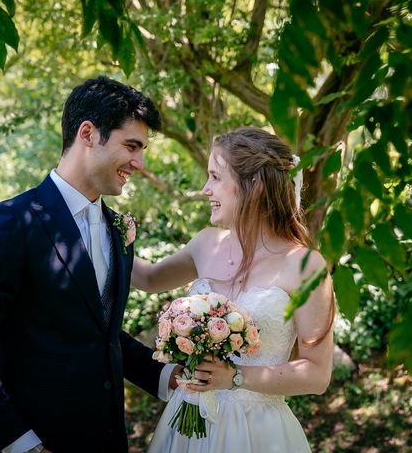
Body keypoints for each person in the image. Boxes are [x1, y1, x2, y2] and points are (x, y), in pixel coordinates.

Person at [0, 76, 179, 453]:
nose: (140, 162)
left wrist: (167, 376)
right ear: (88, 133)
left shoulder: (118, 228)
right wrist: (22, 444)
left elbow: (98, 334)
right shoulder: (10, 223)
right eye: (131, 146)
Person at [132, 127, 335, 452]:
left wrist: (236, 377)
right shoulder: (205, 244)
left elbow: (317, 374)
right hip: (188, 422)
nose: (205, 189)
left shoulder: (305, 267)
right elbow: (148, 279)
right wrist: (105, 230)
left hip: (258, 432)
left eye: (215, 177)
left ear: (252, 186)